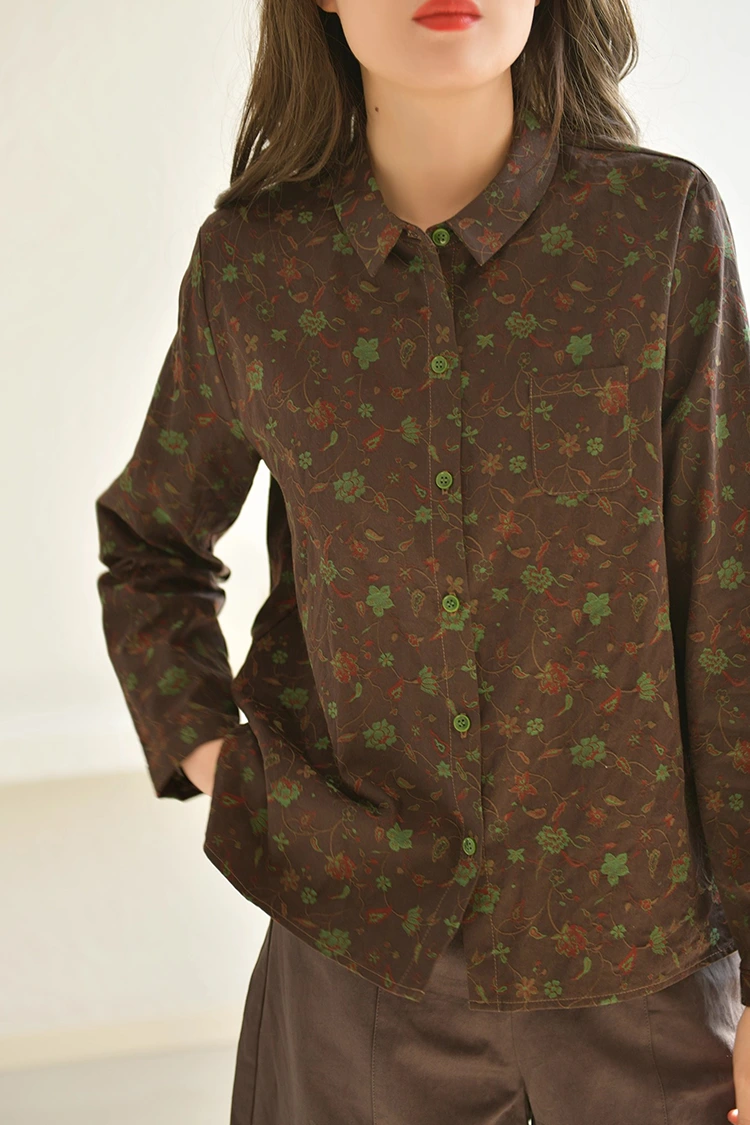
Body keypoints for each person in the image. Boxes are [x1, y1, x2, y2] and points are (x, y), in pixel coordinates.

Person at [95, 1, 750, 1122]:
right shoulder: (255, 268)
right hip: (355, 969)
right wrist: (219, 758)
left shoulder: (654, 230)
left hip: (636, 962)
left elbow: (729, 602)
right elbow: (152, 540)